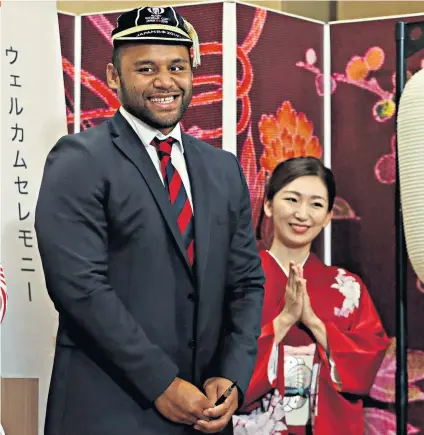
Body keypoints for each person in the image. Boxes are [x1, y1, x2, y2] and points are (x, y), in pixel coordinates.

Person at [35, 6, 265, 435]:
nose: (165, 81)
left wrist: (232, 375)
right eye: (146, 68)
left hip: (204, 412)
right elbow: (79, 286)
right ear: (113, 76)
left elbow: (247, 281)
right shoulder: (80, 159)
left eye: (177, 66)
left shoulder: (222, 168)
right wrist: (160, 381)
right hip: (108, 410)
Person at [232, 157, 390, 434]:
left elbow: (367, 360)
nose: (302, 214)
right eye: (292, 199)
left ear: (329, 216)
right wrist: (283, 321)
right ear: (268, 205)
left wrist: (314, 323)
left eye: (316, 204)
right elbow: (218, 359)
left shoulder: (347, 288)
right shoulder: (235, 281)